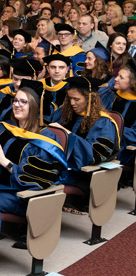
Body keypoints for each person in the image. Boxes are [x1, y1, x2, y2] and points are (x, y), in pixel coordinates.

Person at [0, 81, 67, 253]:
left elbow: (39, 179)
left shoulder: (45, 139)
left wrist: (5, 162)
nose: (17, 105)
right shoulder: (4, 129)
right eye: (15, 101)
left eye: (23, 102)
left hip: (20, 195)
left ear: (33, 106)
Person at [49, 76, 120, 208]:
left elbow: (95, 154)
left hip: (82, 173)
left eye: (76, 99)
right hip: (59, 165)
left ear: (90, 99)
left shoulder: (103, 122)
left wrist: (67, 134)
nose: (72, 103)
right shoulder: (64, 113)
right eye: (69, 98)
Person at [100, 59, 136, 170]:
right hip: (103, 140)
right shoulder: (109, 98)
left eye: (121, 77)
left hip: (125, 149)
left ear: (132, 82)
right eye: (117, 75)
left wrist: (114, 129)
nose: (115, 79)